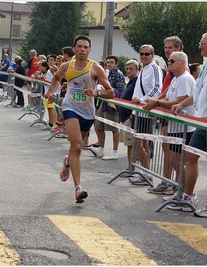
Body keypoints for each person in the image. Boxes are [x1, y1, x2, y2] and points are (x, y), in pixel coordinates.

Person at [44, 35, 114, 203]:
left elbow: (110, 92)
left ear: (89, 50)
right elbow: (55, 79)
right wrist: (50, 93)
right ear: (74, 49)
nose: (82, 49)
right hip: (70, 108)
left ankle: (68, 161)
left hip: (88, 112)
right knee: (76, 146)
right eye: (79, 46)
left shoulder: (96, 68)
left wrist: (97, 92)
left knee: (76, 148)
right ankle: (78, 188)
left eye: (85, 47)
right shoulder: (66, 66)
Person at [169, 32, 207, 217]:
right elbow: (199, 92)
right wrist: (181, 104)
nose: (199, 46)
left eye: (202, 43)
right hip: (203, 119)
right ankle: (188, 196)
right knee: (189, 157)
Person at [143, 51, 196, 197]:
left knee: (178, 162)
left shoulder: (185, 79)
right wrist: (154, 101)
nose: (169, 63)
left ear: (182, 63)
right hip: (175, 126)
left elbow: (181, 100)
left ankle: (186, 192)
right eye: (169, 61)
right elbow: (166, 94)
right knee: (174, 161)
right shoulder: (176, 78)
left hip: (183, 127)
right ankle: (180, 190)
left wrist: (158, 102)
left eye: (172, 61)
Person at [144, 36, 183, 194]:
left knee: (172, 151)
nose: (167, 50)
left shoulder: (180, 67)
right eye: (166, 47)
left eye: (170, 48)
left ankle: (173, 183)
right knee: (166, 147)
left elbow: (177, 93)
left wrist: (157, 101)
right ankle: (168, 181)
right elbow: (168, 89)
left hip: (174, 114)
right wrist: (156, 100)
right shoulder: (171, 67)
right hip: (166, 111)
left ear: (179, 49)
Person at [128, 44, 163, 186]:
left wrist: (142, 100)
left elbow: (157, 88)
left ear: (152, 55)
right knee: (138, 143)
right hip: (137, 111)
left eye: (147, 54)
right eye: (141, 53)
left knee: (142, 143)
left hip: (145, 111)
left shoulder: (155, 68)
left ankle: (146, 173)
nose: (143, 56)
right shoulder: (143, 69)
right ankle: (144, 172)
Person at [91, 55, 125, 160]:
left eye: (111, 62)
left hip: (112, 104)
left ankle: (114, 152)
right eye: (108, 62)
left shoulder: (118, 74)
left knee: (114, 128)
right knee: (99, 126)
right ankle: (101, 148)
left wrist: (102, 91)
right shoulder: (107, 73)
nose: (109, 64)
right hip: (104, 101)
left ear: (116, 64)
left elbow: (120, 91)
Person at [118, 59, 139, 176]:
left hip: (129, 118)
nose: (129, 71)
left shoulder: (136, 82)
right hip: (123, 116)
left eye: (131, 69)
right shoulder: (130, 82)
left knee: (131, 144)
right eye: (127, 69)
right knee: (128, 144)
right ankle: (130, 166)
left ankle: (131, 168)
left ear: (137, 69)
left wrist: (131, 116)